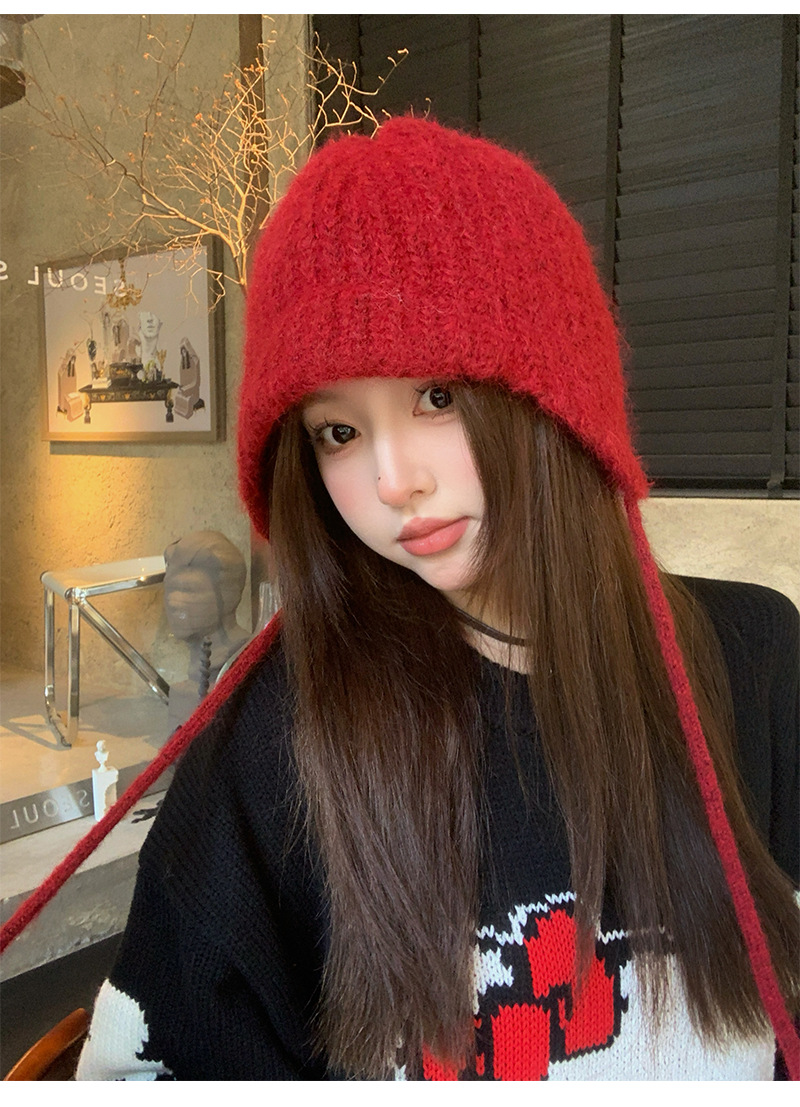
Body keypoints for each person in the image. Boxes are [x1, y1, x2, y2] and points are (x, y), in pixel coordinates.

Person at [75, 117, 799, 1081]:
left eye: (437, 397)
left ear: (561, 395)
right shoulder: (281, 727)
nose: (393, 480)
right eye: (337, 432)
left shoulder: (755, 657)